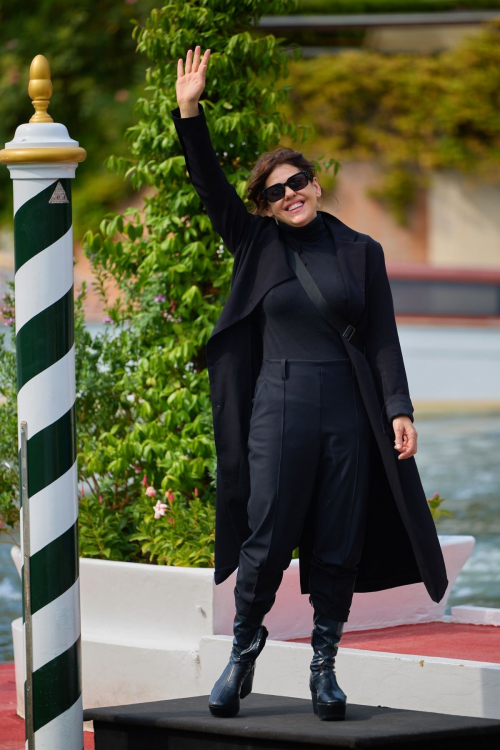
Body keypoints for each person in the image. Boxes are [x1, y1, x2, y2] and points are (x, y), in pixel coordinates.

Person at [171, 46, 447, 722]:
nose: (289, 194)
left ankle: (325, 667)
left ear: (315, 184)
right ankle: (242, 652)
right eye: (275, 191)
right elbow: (207, 181)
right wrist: (189, 111)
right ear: (262, 206)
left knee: (337, 541)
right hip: (279, 403)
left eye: (297, 182)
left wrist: (399, 409)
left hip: (348, 414)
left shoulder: (361, 252)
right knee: (264, 537)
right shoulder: (255, 244)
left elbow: (381, 336)